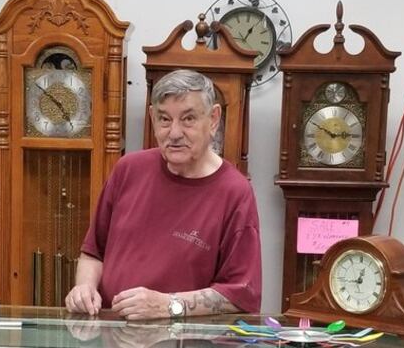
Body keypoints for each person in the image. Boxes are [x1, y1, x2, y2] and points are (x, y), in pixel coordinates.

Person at [65, 69, 262, 320]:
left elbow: (241, 294)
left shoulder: (234, 192)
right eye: (165, 119)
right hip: (112, 335)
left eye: (188, 119)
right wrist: (84, 287)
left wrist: (168, 305)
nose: (175, 133)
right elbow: (93, 254)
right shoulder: (128, 169)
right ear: (152, 118)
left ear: (213, 119)